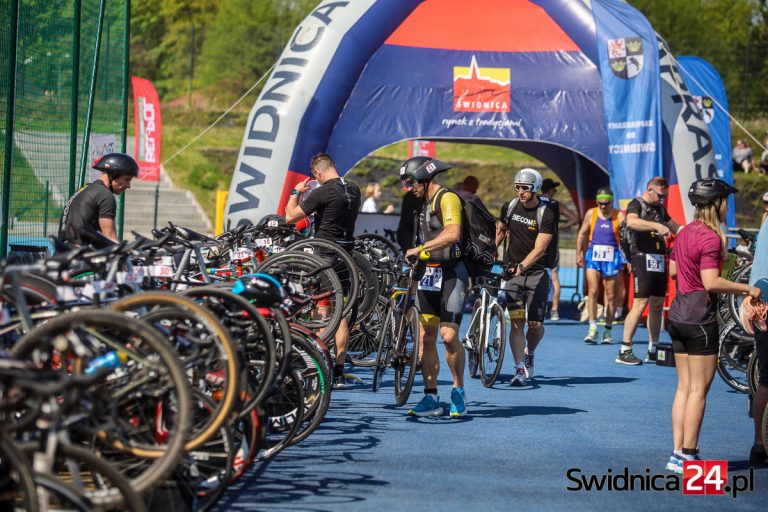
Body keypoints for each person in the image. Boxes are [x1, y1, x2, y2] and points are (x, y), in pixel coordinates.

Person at [664, 178, 759, 473]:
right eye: (725, 202)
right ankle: (690, 456)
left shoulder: (684, 232)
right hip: (699, 319)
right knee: (698, 391)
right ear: (715, 203)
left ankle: (677, 454)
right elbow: (711, 282)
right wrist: (747, 290)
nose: (726, 207)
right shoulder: (711, 237)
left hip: (678, 314)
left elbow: (674, 271)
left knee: (683, 387)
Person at [284, 152, 362, 390]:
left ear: (317, 173)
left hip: (324, 255)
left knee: (323, 311)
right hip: (347, 256)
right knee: (342, 315)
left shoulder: (322, 192)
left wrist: (296, 192)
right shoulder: (354, 190)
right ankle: (339, 372)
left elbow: (290, 217)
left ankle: (317, 364)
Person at [400, 156, 469, 418]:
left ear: (425, 177)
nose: (409, 187)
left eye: (411, 182)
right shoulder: (422, 203)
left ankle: (458, 391)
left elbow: (452, 234)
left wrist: (419, 249)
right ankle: (430, 396)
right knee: (426, 337)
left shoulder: (446, 197)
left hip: (453, 273)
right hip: (429, 274)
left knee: (449, 337)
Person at [496, 168, 556, 386]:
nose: (520, 192)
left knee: (536, 326)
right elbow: (501, 229)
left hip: (537, 273)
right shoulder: (510, 207)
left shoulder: (546, 213)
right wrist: (490, 250)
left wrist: (522, 266)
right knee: (516, 322)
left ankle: (529, 353)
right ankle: (519, 368)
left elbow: (540, 249)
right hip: (513, 272)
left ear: (536, 189)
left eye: (525, 188)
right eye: (517, 187)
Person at [619, 177, 681, 365]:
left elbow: (676, 227)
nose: (663, 200)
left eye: (665, 196)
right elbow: (631, 222)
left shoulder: (660, 208)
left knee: (657, 304)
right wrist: (656, 225)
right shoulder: (636, 203)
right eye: (660, 196)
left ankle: (653, 348)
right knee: (640, 303)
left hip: (659, 259)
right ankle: (624, 349)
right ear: (649, 190)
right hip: (641, 256)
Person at [575, 187, 626, 344]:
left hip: (612, 257)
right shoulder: (592, 213)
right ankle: (592, 328)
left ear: (612, 201)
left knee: (611, 296)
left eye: (607, 203)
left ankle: (608, 330)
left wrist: (627, 259)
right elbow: (582, 233)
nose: (603, 206)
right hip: (594, 255)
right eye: (600, 203)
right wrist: (579, 254)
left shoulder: (620, 216)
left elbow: (627, 239)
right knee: (593, 291)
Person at [58, 152, 138, 245]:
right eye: (127, 179)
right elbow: (110, 238)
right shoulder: (105, 195)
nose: (128, 185)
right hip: (80, 254)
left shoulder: (86, 189)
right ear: (114, 174)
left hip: (64, 251)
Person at [538, 177, 579, 321]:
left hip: (534, 243)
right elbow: (574, 218)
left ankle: (531, 307)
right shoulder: (556, 204)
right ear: (549, 190)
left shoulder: (534, 201)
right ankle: (554, 310)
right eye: (554, 189)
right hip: (551, 245)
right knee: (554, 277)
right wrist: (560, 228)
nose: (555, 191)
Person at [746, 216, 768, 467]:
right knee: (767, 380)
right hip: (765, 307)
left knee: (766, 379)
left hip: (761, 304)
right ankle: (759, 444)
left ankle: (759, 445)